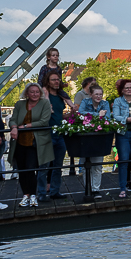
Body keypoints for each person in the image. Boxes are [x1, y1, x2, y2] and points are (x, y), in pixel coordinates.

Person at [9, 84, 53, 207]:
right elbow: (13, 119)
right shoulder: (19, 104)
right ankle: (25, 195)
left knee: (30, 168)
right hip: (20, 141)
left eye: (37, 92)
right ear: (27, 93)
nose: (35, 94)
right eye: (32, 92)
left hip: (35, 142)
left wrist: (24, 126)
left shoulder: (44, 104)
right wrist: (13, 127)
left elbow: (44, 121)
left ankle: (33, 195)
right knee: (22, 169)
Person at [39, 71, 73, 200]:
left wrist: (69, 115)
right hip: (48, 133)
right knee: (44, 165)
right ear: (48, 82)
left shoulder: (60, 97)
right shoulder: (44, 98)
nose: (56, 82)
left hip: (59, 133)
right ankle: (41, 193)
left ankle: (54, 191)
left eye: (58, 79)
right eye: (53, 80)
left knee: (58, 165)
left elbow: (59, 115)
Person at [72, 83, 111, 195]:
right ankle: (87, 187)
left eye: (100, 94)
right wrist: (97, 115)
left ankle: (96, 189)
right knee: (86, 164)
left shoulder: (105, 103)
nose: (99, 96)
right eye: (96, 94)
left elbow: (107, 118)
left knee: (98, 165)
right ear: (91, 95)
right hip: (87, 137)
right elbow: (81, 113)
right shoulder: (85, 102)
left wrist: (94, 116)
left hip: (99, 137)